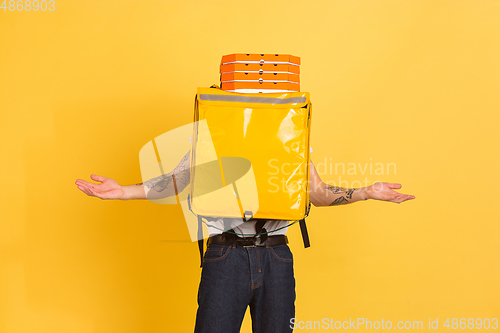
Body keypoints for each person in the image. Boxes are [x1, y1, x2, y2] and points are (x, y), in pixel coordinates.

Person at [75, 149, 415, 332]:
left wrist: (364, 192)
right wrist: (123, 192)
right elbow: (180, 181)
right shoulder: (214, 134)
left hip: (276, 256)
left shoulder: (292, 134)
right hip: (226, 254)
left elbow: (317, 193)